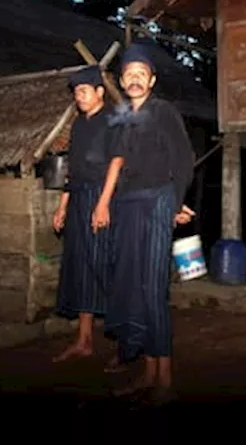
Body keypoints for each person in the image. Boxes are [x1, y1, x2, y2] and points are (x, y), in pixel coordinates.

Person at [93, 43, 195, 406]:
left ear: (151, 80)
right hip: (128, 205)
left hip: (157, 200)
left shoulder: (163, 111)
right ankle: (148, 374)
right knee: (133, 288)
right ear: (122, 80)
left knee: (153, 288)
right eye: (129, 74)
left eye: (142, 73)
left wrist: (175, 201)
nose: (135, 78)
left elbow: (184, 158)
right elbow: (117, 165)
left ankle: (165, 380)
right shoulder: (122, 118)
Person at [51, 65, 115, 363]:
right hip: (78, 197)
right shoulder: (78, 125)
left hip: (105, 198)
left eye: (84, 91)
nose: (79, 97)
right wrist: (63, 206)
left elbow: (119, 164)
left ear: (100, 91)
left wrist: (102, 203)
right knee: (80, 266)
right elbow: (72, 169)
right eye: (76, 92)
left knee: (106, 266)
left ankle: (125, 342)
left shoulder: (113, 120)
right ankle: (83, 340)